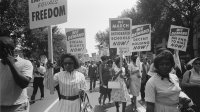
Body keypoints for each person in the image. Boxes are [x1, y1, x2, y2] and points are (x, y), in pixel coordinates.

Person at [0, 31, 33, 112]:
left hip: (18, 107)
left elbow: (24, 84)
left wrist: (11, 64)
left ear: (6, 50)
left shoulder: (25, 63)